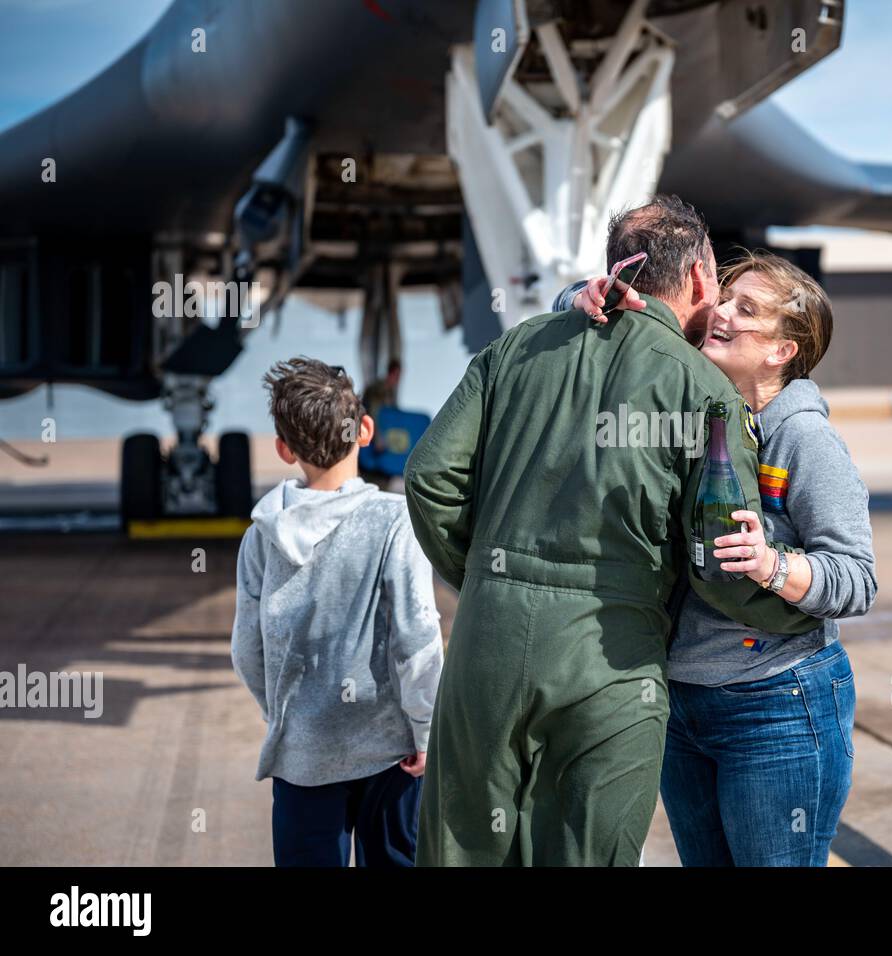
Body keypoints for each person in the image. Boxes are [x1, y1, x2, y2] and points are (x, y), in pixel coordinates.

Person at [403, 195, 821, 866]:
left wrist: (489, 578)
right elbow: (720, 560)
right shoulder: (703, 391)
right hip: (609, 663)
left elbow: (428, 478)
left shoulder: (515, 348)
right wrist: (805, 610)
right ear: (698, 277)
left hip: (486, 650)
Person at [563, 250, 876, 866]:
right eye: (725, 298)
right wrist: (581, 294)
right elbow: (616, 324)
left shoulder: (803, 438)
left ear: (781, 351)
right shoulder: (698, 407)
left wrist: (771, 565)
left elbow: (858, 579)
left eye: (746, 309)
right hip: (683, 706)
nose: (719, 312)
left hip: (778, 706)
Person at [231, 357, 443, 867]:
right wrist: (427, 732)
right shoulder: (395, 522)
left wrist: (286, 717)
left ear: (284, 449)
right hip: (390, 754)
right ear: (366, 429)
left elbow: (247, 649)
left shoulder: (262, 535)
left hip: (302, 757)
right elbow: (416, 639)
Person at [360, 358, 402, 487]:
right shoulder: (378, 389)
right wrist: (378, 437)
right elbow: (373, 413)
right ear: (394, 373)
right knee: (372, 475)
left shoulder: (389, 390)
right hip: (372, 438)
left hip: (379, 439)